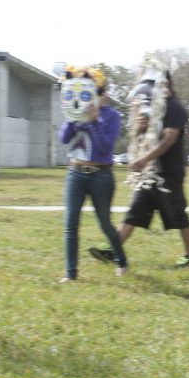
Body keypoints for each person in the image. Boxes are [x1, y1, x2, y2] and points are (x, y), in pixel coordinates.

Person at [89, 71, 189, 269]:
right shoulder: (152, 108)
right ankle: (115, 249)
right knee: (134, 211)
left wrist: (145, 158)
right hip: (149, 172)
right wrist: (140, 128)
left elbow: (169, 138)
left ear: (167, 84)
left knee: (178, 214)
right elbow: (144, 138)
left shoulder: (175, 108)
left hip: (169, 173)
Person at [57, 66, 128, 282]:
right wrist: (72, 118)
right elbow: (63, 139)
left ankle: (121, 260)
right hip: (75, 173)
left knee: (104, 223)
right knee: (70, 224)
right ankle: (71, 273)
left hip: (101, 175)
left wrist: (94, 122)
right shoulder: (74, 112)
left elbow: (106, 147)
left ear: (102, 94)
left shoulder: (111, 115)